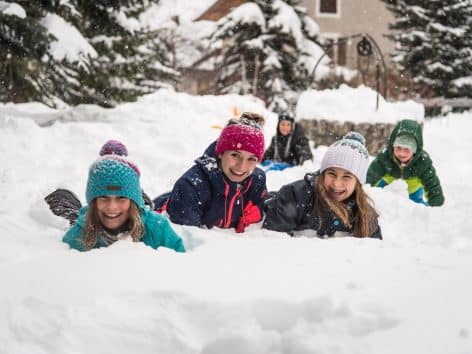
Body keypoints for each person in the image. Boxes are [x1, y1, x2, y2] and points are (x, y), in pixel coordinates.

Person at [154, 113, 268, 233]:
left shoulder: (257, 181)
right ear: (221, 153)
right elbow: (188, 240)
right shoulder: (191, 185)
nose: (242, 166)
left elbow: (252, 228)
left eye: (251, 159)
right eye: (235, 155)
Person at [263, 132, 382, 239]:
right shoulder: (294, 196)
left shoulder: (365, 214)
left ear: (358, 182)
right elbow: (274, 242)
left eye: (347, 177)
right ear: (323, 173)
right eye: (331, 173)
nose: (336, 184)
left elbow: (373, 253)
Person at [62, 154, 185, 252]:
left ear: (133, 202)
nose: (112, 207)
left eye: (121, 197)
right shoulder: (78, 235)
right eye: (104, 197)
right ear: (93, 202)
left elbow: (180, 269)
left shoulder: (158, 229)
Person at [366, 119, 444, 206]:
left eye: (407, 149)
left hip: (413, 188)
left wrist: (436, 206)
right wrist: (365, 195)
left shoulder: (422, 162)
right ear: (393, 145)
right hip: (387, 184)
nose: (401, 153)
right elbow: (371, 176)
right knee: (376, 199)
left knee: (417, 207)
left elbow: (432, 184)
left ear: (415, 150)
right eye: (398, 147)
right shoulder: (385, 157)